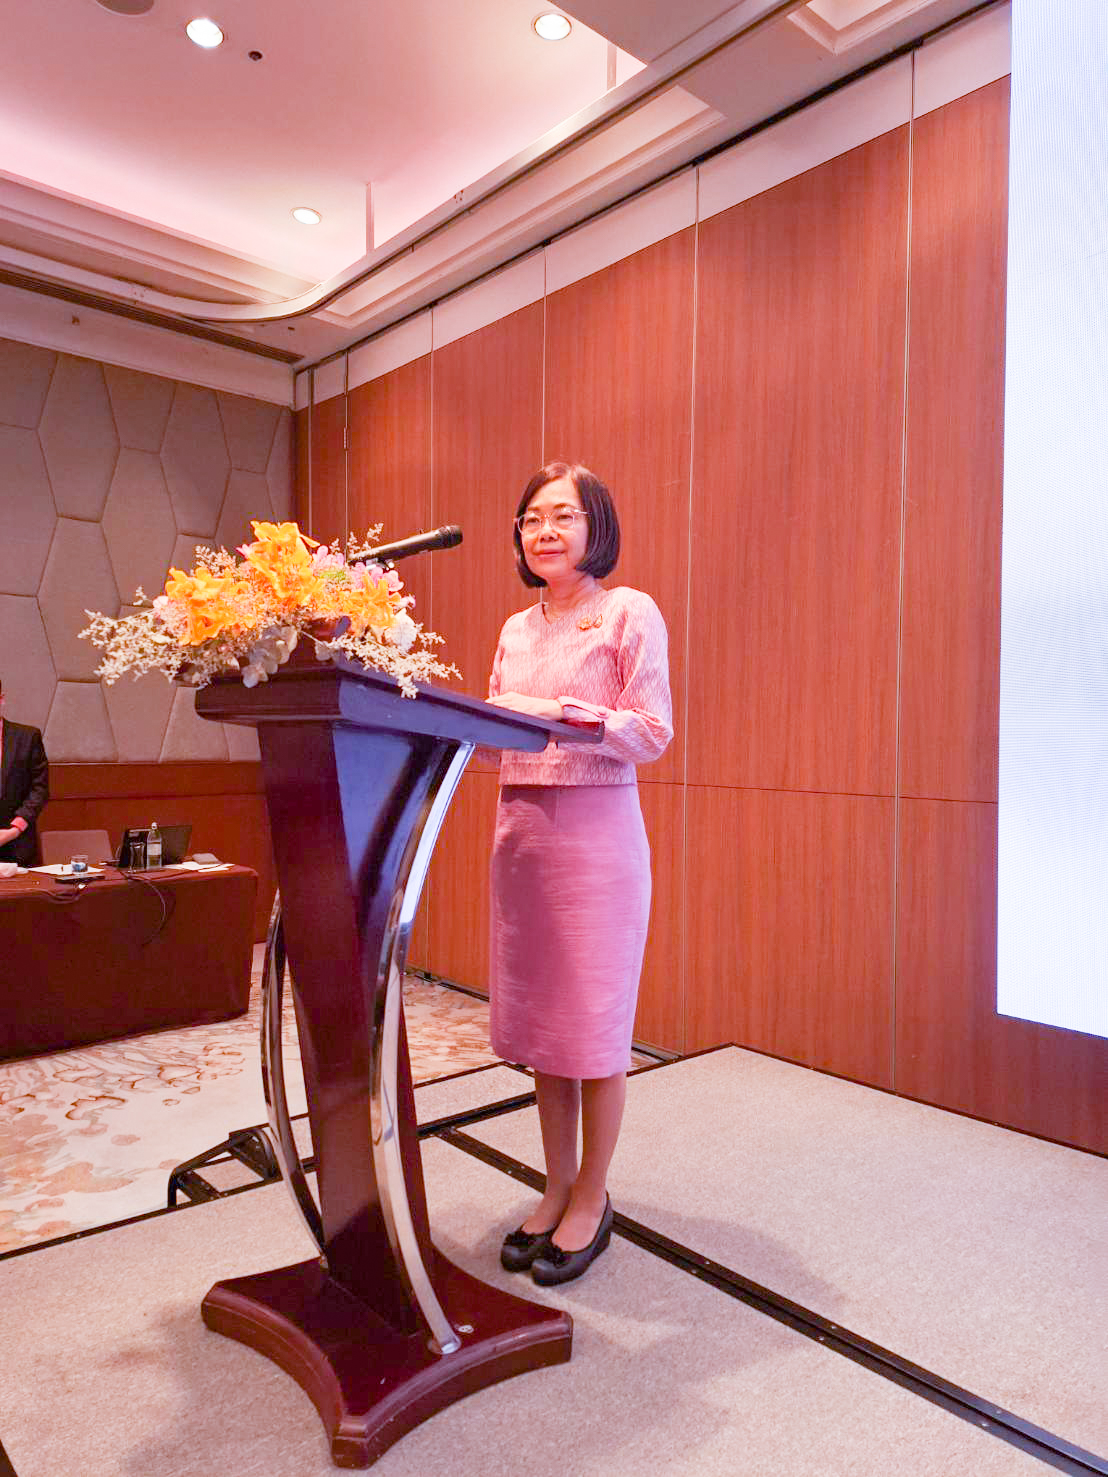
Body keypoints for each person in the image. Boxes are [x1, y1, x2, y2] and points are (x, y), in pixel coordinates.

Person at [486, 461, 672, 1286]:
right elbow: (496, 735)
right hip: (521, 837)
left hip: (597, 841)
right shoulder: (513, 629)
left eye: (563, 515)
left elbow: (652, 732)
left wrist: (561, 714)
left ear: (596, 526)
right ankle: (556, 1183)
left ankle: (593, 1195)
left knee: (592, 1033)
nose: (546, 531)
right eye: (532, 519)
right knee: (545, 1033)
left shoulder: (628, 610)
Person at [0, 676, 49, 867]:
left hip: (17, 846)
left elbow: (40, 789)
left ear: (1, 699)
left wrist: (14, 830)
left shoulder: (27, 737)